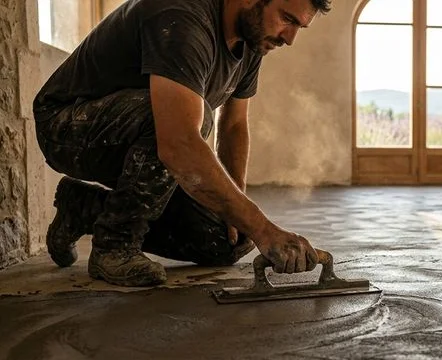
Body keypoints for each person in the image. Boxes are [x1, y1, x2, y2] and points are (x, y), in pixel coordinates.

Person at [32, 0, 330, 287]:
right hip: (65, 127)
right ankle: (115, 244)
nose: (289, 38)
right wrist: (264, 229)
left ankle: (82, 209)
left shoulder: (252, 40)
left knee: (225, 240)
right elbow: (179, 142)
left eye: (299, 27)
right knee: (191, 122)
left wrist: (239, 213)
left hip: (143, 142)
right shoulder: (181, 13)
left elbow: (234, 125)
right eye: (287, 19)